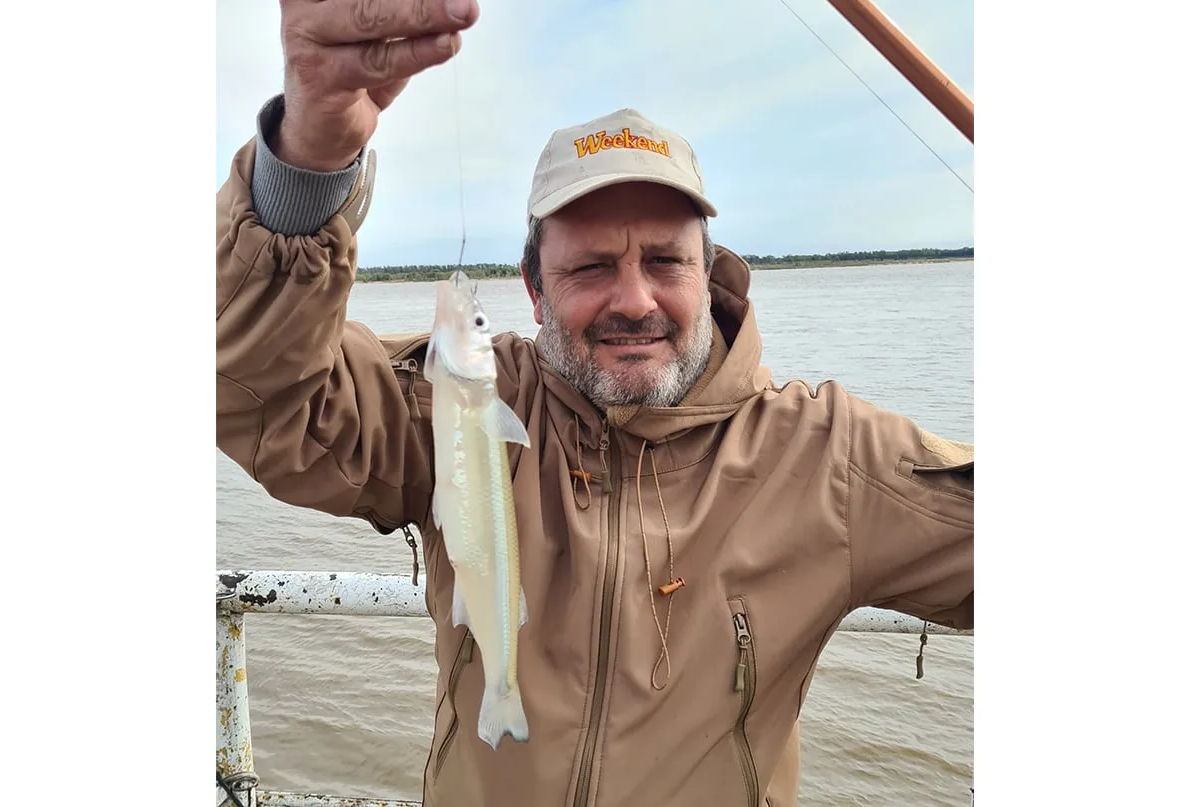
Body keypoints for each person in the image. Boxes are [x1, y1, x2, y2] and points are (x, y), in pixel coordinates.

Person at [215, 1, 973, 805]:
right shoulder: (451, 403)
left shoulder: (826, 457)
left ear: (707, 272)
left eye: (665, 260)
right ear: (535, 289)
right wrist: (308, 164)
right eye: (590, 267)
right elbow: (264, 397)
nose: (635, 300)